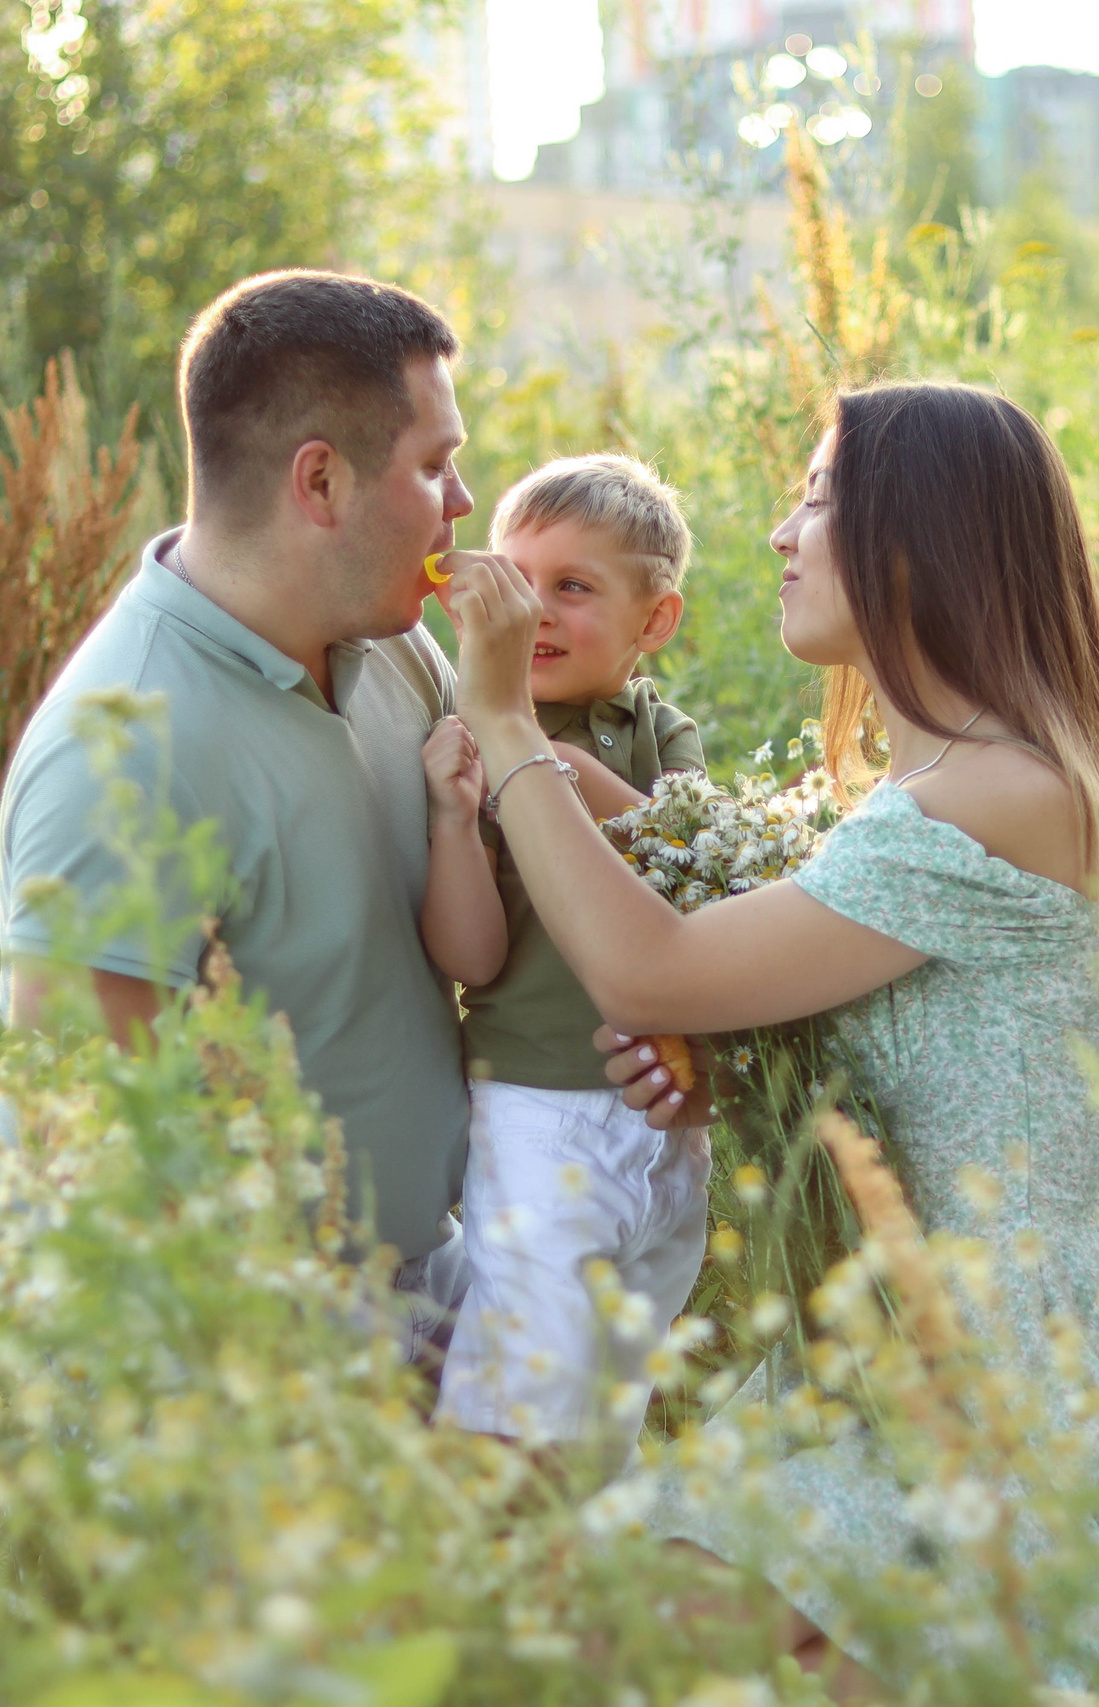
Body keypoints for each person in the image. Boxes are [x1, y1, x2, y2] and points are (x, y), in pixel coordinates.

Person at [434, 381, 1099, 1692]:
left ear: (913, 539)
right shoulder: (961, 782)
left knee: (600, 1632)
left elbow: (646, 964)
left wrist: (502, 724)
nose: (781, 532)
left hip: (995, 1384)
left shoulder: (993, 795)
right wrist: (739, 1067)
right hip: (905, 1352)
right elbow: (909, 1033)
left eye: (819, 498)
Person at [0, 269, 482, 1349]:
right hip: (233, 1346)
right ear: (320, 482)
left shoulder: (397, 644)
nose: (463, 504)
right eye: (435, 466)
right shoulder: (121, 752)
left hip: (422, 1276)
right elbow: (93, 1154)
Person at [413, 454, 713, 1456]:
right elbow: (474, 960)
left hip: (664, 1116)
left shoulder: (656, 731)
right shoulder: (475, 730)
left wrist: (571, 775)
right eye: (514, 581)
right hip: (537, 1106)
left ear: (653, 622)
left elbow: (702, 867)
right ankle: (489, 1552)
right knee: (527, 1368)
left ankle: (586, 1569)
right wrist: (457, 826)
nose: (534, 613)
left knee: (617, 1374)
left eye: (572, 589)